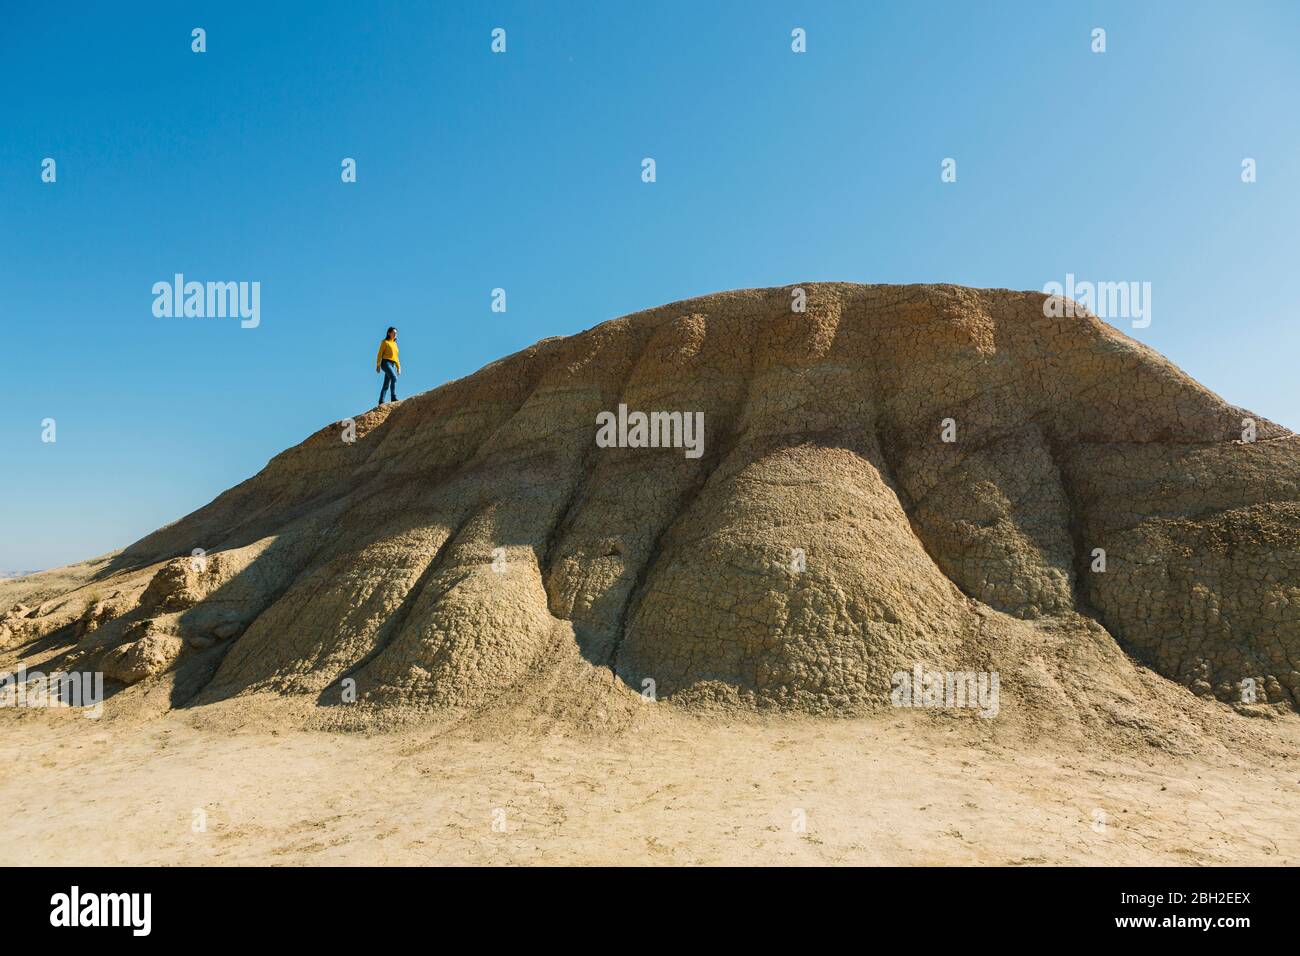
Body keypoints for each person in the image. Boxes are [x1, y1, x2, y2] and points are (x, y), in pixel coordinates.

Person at [376, 326, 401, 405]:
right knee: (394, 378)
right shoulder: (385, 342)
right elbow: (380, 354)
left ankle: (381, 400)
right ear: (389, 333)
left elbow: (396, 357)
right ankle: (393, 397)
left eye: (396, 333)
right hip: (385, 363)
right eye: (393, 332)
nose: (395, 334)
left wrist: (398, 367)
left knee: (386, 383)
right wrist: (378, 365)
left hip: (392, 364)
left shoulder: (395, 344)